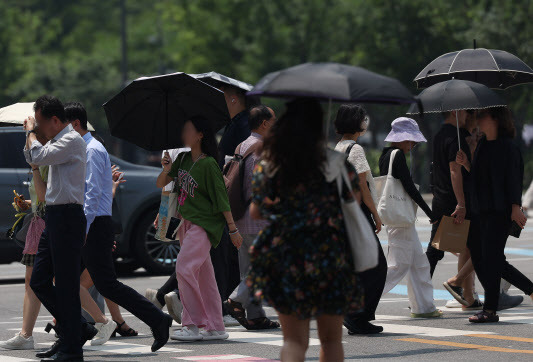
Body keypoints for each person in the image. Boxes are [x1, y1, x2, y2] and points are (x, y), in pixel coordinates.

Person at [247, 98, 364, 362]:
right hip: (329, 254)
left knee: (294, 341)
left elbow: (256, 211)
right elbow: (353, 201)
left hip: (286, 255)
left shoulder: (272, 164)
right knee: (332, 340)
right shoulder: (336, 163)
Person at [66, 101, 173, 350]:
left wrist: (83, 229)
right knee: (73, 280)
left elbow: (91, 195)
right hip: (90, 224)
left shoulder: (92, 150)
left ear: (74, 124)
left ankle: (158, 319)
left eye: (63, 128)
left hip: (93, 224)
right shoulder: (83, 150)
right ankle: (69, 333)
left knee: (105, 284)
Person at [156, 116, 243, 342]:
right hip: (186, 224)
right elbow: (163, 184)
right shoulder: (183, 159)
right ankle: (216, 327)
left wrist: (233, 230)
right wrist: (166, 167)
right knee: (206, 278)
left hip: (205, 225)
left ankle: (192, 324)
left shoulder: (209, 164)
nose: (183, 134)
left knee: (184, 268)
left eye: (188, 130)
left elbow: (222, 199)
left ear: (200, 135)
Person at [23, 95, 95, 362]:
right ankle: (76, 328)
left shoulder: (71, 139)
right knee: (39, 280)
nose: (38, 128)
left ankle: (71, 348)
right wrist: (31, 135)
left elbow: (37, 157)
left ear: (55, 120)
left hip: (67, 216)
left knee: (65, 285)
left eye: (41, 122)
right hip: (54, 216)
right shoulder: (55, 140)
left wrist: (31, 132)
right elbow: (32, 157)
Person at [456, 107, 533, 323]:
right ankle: (495, 306)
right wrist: (466, 164)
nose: (478, 119)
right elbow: (479, 177)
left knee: (492, 259)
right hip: (479, 209)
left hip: (499, 211)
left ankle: (490, 309)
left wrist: (515, 206)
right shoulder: (482, 144)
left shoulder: (508, 146)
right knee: (482, 258)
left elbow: (513, 177)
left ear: (496, 119)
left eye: (483, 115)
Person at [378, 117, 442, 319]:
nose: (413, 145)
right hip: (401, 220)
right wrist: (430, 212)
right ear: (402, 138)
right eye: (411, 140)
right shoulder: (397, 155)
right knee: (398, 267)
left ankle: (424, 307)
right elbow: (409, 187)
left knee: (420, 264)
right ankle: (360, 300)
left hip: (400, 219)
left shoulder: (385, 155)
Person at [224, 105, 280, 330]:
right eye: (274, 119)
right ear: (265, 123)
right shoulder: (262, 147)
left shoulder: (242, 145)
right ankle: (235, 299)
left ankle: (256, 317)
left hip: (239, 216)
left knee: (249, 268)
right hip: (257, 217)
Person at [333, 104, 387, 334]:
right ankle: (358, 316)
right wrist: (375, 214)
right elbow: (363, 186)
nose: (366, 122)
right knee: (377, 266)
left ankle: (353, 313)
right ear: (357, 123)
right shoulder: (355, 150)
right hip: (358, 213)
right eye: (363, 119)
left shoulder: (338, 147)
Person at [0, 130, 48, 351]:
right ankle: (26, 334)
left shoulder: (49, 160)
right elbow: (41, 198)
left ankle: (99, 322)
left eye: (30, 141)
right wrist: (28, 203)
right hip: (39, 224)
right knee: (32, 281)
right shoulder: (40, 163)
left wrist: (36, 168)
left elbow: (48, 197)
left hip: (51, 225)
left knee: (65, 282)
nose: (28, 148)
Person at [426, 110, 471, 278]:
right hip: (452, 201)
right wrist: (461, 203)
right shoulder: (455, 138)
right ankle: (460, 287)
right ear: (455, 112)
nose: (467, 114)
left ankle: (466, 290)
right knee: (435, 251)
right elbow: (454, 171)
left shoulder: (439, 135)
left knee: (436, 251)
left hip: (440, 197)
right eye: (465, 111)